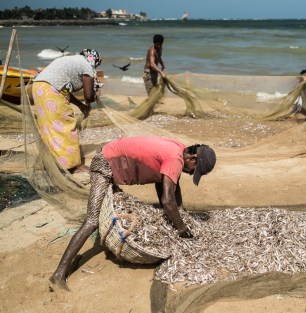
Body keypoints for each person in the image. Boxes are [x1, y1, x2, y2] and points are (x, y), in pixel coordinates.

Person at [49, 136, 217, 291]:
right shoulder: (176, 159)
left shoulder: (179, 149)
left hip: (110, 156)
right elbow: (167, 200)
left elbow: (168, 186)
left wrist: (180, 212)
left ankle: (60, 272)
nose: (190, 173)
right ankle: (58, 274)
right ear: (192, 159)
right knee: (92, 221)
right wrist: (181, 228)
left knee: (167, 201)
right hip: (104, 164)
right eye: (194, 170)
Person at [32, 48, 103, 173]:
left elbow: (66, 90)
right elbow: (88, 96)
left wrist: (80, 105)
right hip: (51, 90)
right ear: (94, 60)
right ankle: (74, 165)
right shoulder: (87, 67)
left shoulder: (74, 61)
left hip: (39, 88)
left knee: (49, 127)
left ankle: (53, 161)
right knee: (66, 125)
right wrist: (93, 96)